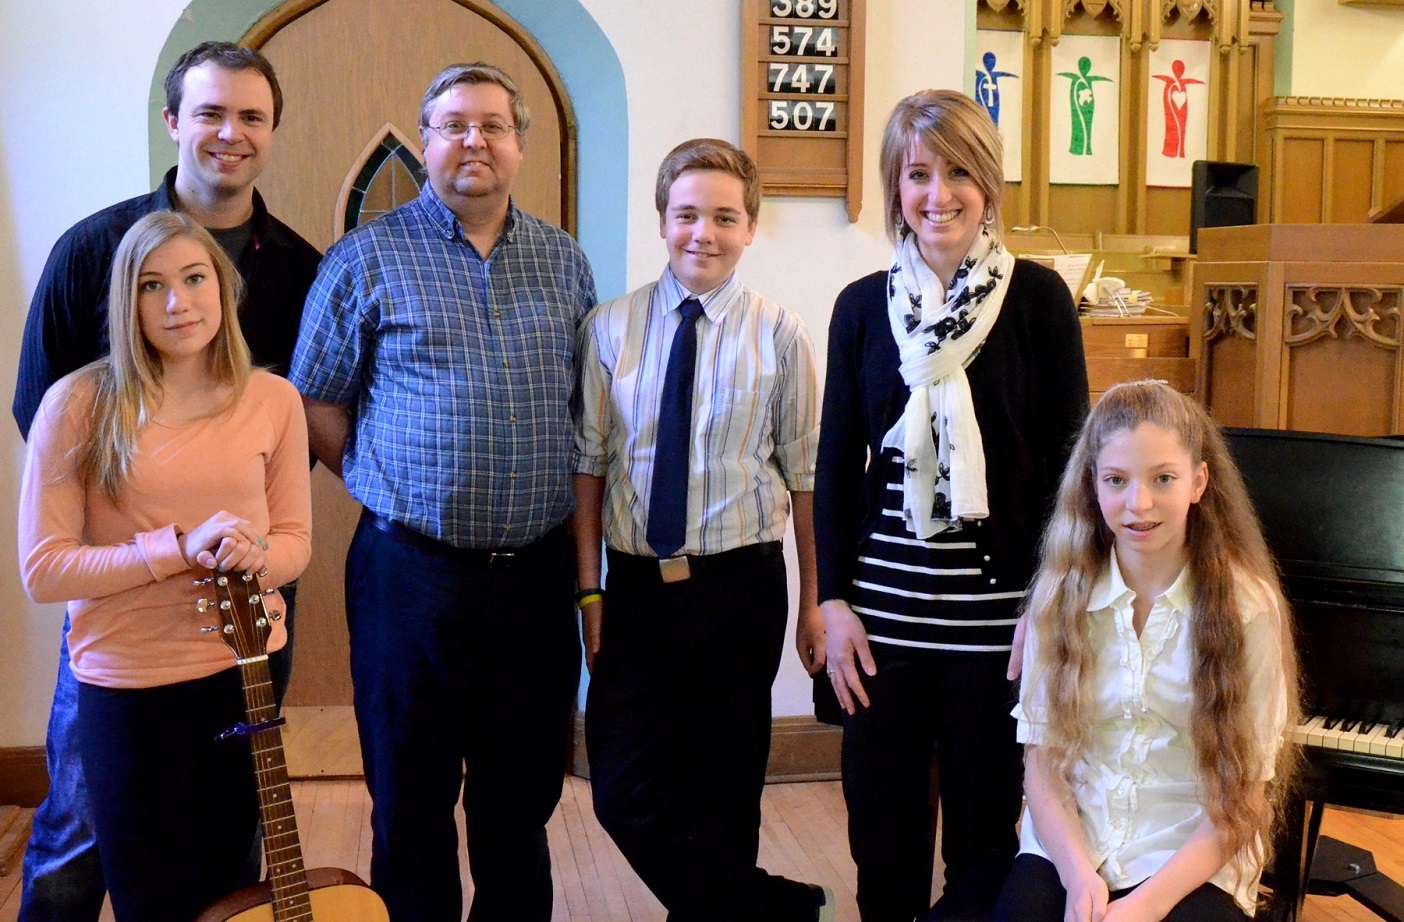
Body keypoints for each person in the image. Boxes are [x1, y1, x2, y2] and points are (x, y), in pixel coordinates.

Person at [10, 41, 320, 922]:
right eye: (211, 112)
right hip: (120, 634)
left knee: (230, 846)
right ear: (174, 122)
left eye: (251, 116)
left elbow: (290, 443)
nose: (230, 133)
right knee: (83, 828)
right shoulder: (93, 248)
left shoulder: (299, 267)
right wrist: (151, 532)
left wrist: (251, 551)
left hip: (242, 619)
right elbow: (49, 429)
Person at [289, 61, 596, 921]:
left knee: (520, 795)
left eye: (493, 125)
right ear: (426, 142)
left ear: (520, 146)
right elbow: (314, 397)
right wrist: (373, 479)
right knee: (411, 796)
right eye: (454, 124)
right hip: (408, 577)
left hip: (533, 578)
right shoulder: (365, 258)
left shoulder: (565, 263)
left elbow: (584, 408)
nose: (475, 140)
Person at [813, 89, 1089, 922]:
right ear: (896, 187)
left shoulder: (1038, 300)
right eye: (919, 173)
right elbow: (834, 465)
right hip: (882, 622)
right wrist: (832, 601)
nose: (940, 194)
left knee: (983, 836)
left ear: (989, 184)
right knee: (882, 831)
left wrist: (1049, 602)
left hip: (999, 626)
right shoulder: (862, 307)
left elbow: (1068, 469)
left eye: (960, 172)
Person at [574, 138, 830, 922]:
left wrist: (815, 600)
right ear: (661, 220)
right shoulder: (608, 329)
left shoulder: (779, 334)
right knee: (623, 788)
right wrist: (589, 593)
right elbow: (588, 465)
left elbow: (807, 476)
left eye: (725, 217)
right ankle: (771, 909)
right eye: (687, 214)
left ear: (750, 227)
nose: (703, 234)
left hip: (741, 585)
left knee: (725, 784)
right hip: (637, 589)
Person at [990, 381, 1299, 922]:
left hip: (1191, 853)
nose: (1139, 504)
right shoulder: (1058, 597)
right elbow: (1042, 765)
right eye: (1116, 480)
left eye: (1163, 478)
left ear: (1198, 481)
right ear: (1093, 485)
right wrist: (1078, 877)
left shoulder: (1249, 608)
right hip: (1071, 844)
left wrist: (1147, 905)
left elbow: (1245, 796)